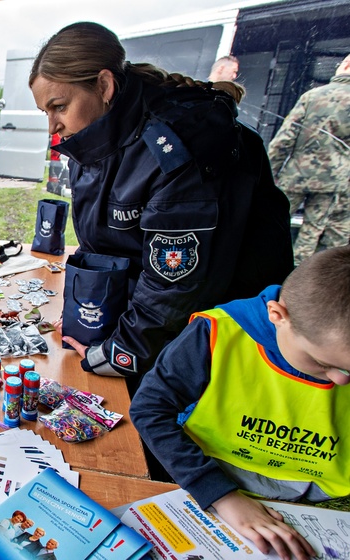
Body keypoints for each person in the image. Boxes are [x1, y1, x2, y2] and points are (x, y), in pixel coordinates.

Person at [30, 22, 293, 382]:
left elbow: (174, 285)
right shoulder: (101, 133)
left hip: (210, 346)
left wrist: (117, 352)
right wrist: (91, 309)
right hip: (150, 328)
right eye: (45, 112)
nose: (52, 127)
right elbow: (111, 249)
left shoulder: (176, 146)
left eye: (58, 107)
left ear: (104, 85)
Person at [131, 246, 350, 560]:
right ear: (278, 316)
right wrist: (222, 495)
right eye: (322, 362)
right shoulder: (216, 333)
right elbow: (150, 408)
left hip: (315, 499)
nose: (340, 380)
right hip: (207, 478)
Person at [268, 53, 350, 266]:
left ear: (346, 65)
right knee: (311, 232)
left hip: (297, 175)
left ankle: (263, 266)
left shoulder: (312, 96)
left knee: (272, 223)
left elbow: (285, 139)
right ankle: (293, 278)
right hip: (333, 181)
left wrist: (268, 173)